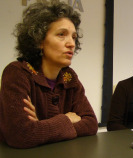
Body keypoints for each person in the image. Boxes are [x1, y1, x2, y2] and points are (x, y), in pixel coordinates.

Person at [0, 0, 98, 148]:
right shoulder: (17, 73)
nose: (71, 43)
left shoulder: (69, 77)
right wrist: (66, 119)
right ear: (39, 40)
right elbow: (21, 135)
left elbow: (91, 123)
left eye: (73, 37)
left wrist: (40, 126)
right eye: (61, 34)